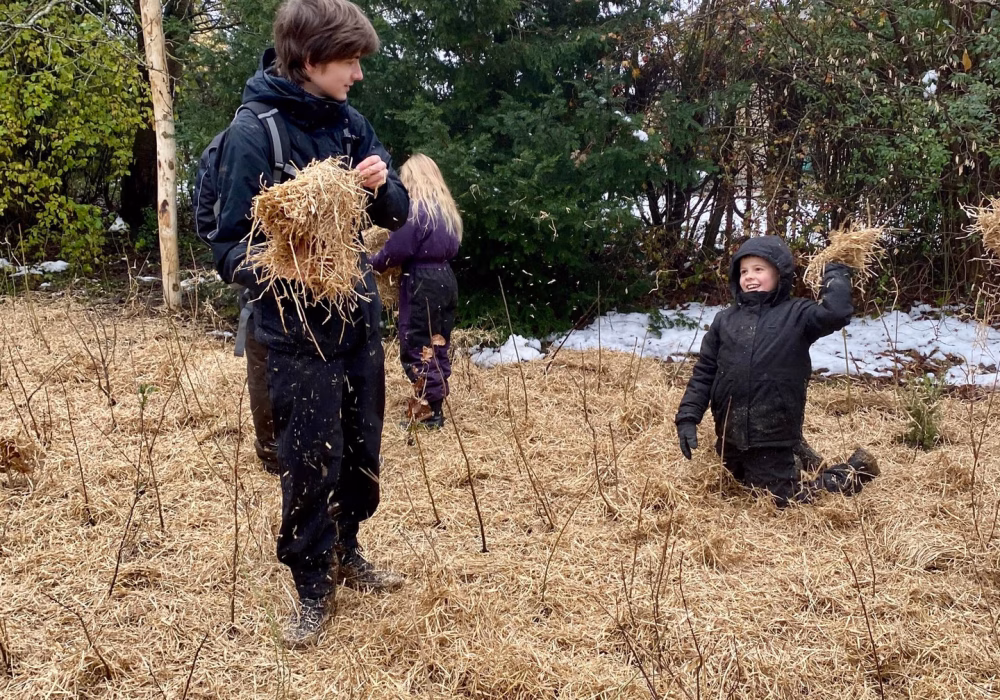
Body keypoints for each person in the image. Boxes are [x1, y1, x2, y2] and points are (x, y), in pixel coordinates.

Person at [209, 0, 410, 648]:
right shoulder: (254, 134)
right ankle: (312, 585)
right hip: (295, 335)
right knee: (309, 461)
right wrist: (289, 265)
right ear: (312, 59)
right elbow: (227, 246)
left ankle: (348, 549)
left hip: (357, 322)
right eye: (349, 60)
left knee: (361, 451)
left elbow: (398, 214)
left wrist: (380, 186)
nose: (358, 73)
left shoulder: (352, 125)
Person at [674, 236, 880, 506]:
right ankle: (801, 458)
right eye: (743, 271)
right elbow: (704, 372)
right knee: (733, 484)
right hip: (730, 437)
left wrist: (837, 271)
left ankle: (855, 471)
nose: (749, 277)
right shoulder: (725, 320)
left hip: (773, 434)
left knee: (781, 501)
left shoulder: (797, 314)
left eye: (758, 269)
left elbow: (836, 313)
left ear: (779, 273)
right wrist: (688, 417)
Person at [371, 154, 461, 430]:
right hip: (446, 278)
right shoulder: (446, 211)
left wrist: (373, 262)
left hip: (422, 281)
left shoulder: (416, 210)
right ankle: (435, 401)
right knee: (437, 342)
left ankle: (429, 412)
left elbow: (397, 248)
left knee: (417, 343)